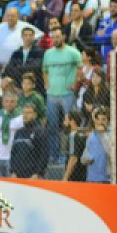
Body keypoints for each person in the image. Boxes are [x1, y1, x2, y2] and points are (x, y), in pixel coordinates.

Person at [42, 28, 82, 162]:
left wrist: (76, 83)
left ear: (63, 37)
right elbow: (44, 70)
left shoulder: (73, 52)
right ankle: (53, 155)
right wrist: (46, 82)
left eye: (58, 37)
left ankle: (66, 155)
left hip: (67, 94)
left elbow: (81, 67)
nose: (55, 39)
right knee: (52, 126)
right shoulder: (48, 53)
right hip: (52, 94)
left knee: (69, 126)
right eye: (53, 37)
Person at [9, 103, 48, 179]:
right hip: (17, 175)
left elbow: (44, 155)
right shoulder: (19, 132)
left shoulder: (40, 131)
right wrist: (13, 171)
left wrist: (37, 173)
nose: (25, 115)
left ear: (35, 115)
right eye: (24, 112)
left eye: (29, 113)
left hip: (33, 176)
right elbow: (13, 153)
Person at [0, 91, 23, 178]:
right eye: (7, 101)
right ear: (3, 102)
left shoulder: (20, 117)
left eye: (12, 101)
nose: (9, 104)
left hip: (11, 157)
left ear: (16, 103)